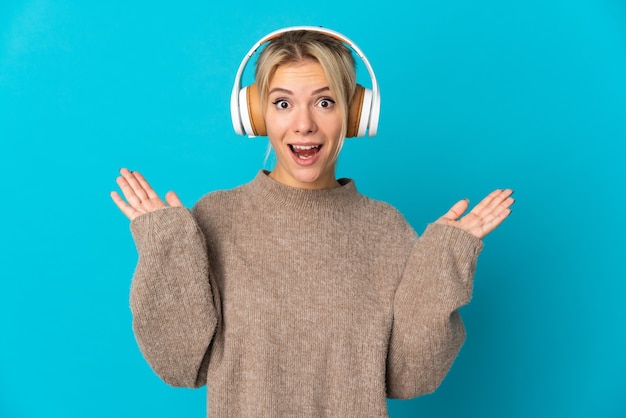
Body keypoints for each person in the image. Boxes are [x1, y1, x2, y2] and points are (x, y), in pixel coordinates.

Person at [111, 28, 514, 417]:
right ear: (256, 115)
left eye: (324, 102)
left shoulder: (386, 228)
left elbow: (410, 378)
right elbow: (181, 366)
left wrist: (442, 263)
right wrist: (166, 249)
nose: (303, 124)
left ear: (354, 113)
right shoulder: (216, 217)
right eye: (283, 103)